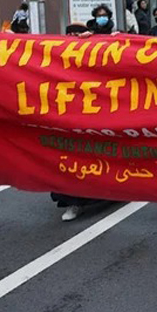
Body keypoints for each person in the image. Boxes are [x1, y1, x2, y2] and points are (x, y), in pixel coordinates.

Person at [51, 23, 118, 221]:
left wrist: (98, 40)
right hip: (67, 118)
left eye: (77, 34)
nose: (74, 37)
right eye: (69, 34)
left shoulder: (96, 52)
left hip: (95, 116)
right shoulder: (57, 56)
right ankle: (73, 202)